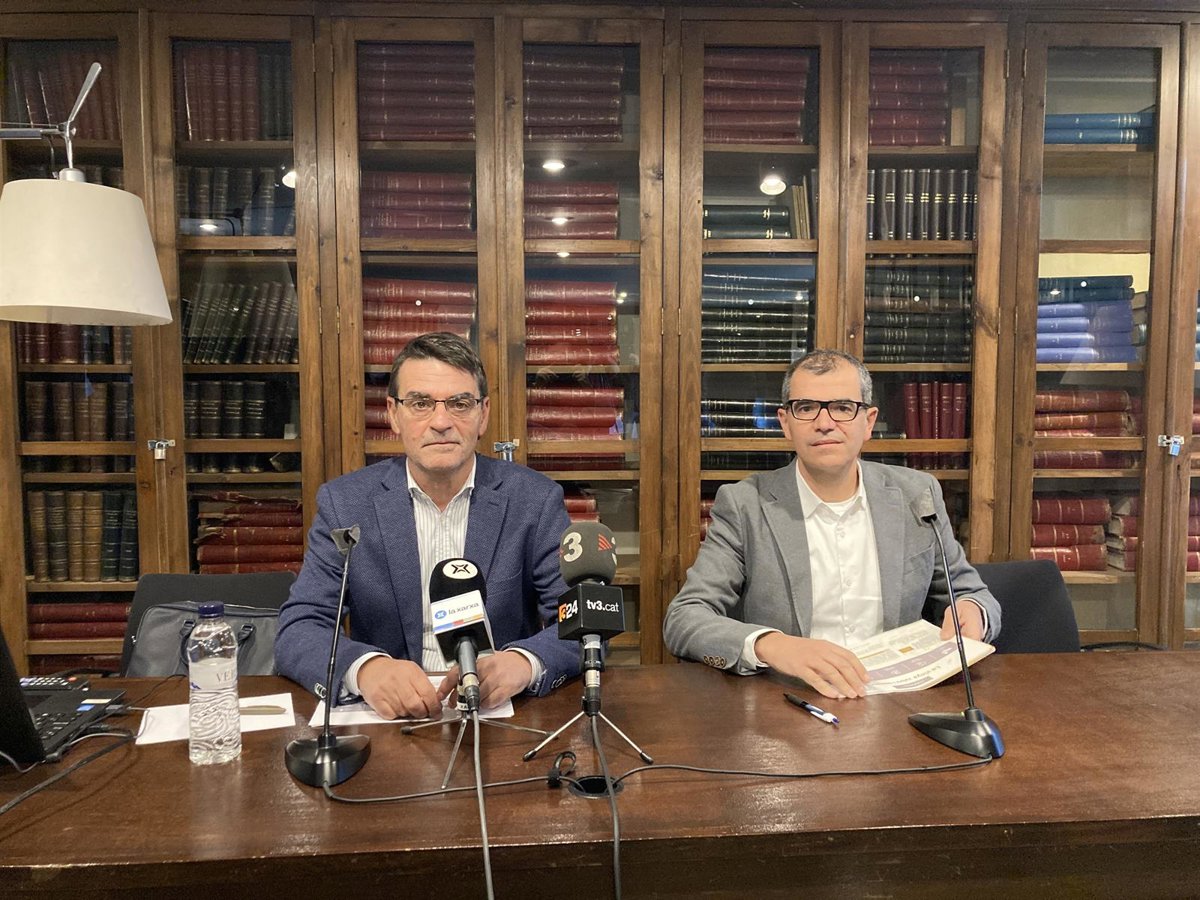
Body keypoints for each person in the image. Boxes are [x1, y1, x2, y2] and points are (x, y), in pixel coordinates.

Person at [663, 349, 1000, 700]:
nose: (824, 423)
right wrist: (772, 645)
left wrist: (973, 612)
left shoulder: (916, 495)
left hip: (897, 701)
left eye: (842, 407)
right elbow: (684, 619)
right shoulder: (745, 505)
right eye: (806, 407)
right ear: (785, 423)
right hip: (790, 703)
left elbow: (975, 595)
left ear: (868, 421)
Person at [275, 332, 578, 718]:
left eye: (460, 404)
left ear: (483, 414)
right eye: (420, 403)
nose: (441, 422)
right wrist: (365, 669)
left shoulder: (534, 500)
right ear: (392, 414)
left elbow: (581, 622)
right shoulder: (346, 504)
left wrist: (524, 662)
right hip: (390, 719)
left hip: (500, 716)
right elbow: (299, 627)